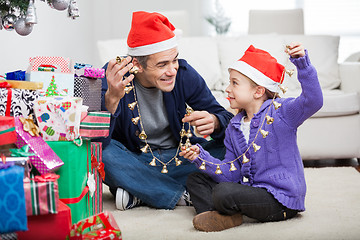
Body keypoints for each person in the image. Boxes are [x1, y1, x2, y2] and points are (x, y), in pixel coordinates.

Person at [180, 43, 323, 232]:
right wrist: (201, 157)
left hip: (280, 199)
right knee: (196, 180)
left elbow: (313, 101)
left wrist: (302, 64)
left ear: (258, 91)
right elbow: (231, 173)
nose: (227, 89)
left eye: (234, 83)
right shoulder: (234, 126)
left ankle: (224, 211)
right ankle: (218, 216)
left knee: (224, 193)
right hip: (250, 191)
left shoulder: (281, 112)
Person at [99, 11, 234, 211]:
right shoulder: (114, 78)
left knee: (234, 150)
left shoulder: (184, 75)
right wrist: (111, 100)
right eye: (162, 64)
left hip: (183, 157)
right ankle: (179, 195)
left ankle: (142, 192)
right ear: (137, 65)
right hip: (137, 159)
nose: (172, 70)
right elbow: (95, 142)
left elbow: (229, 121)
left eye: (174, 60)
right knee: (103, 155)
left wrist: (215, 121)